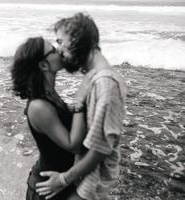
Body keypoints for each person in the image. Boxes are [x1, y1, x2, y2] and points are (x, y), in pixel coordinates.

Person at [35, 13, 126, 200]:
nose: (59, 50)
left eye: (61, 42)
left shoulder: (105, 83)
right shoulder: (95, 78)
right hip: (86, 178)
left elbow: (100, 149)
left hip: (92, 184)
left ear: (77, 39)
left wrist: (63, 179)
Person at [11, 37, 89, 200]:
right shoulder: (38, 106)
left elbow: (61, 113)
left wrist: (75, 107)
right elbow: (72, 145)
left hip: (61, 181)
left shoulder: (49, 93)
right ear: (43, 65)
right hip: (48, 188)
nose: (59, 51)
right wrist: (81, 103)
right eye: (53, 50)